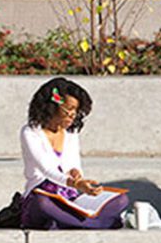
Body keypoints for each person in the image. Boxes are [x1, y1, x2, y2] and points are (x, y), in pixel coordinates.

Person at [20, 77, 129, 230]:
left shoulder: (71, 133)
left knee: (121, 199)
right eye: (68, 109)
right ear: (51, 107)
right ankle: (97, 224)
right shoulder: (31, 132)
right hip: (43, 194)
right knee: (42, 203)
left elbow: (73, 164)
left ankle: (67, 222)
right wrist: (76, 183)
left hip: (69, 197)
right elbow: (47, 170)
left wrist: (77, 174)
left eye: (76, 111)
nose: (72, 115)